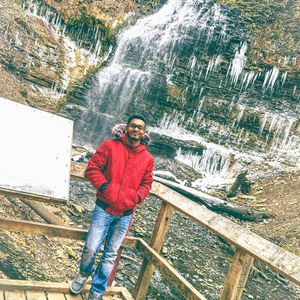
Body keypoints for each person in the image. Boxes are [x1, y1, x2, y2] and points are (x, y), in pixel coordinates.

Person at [70, 114, 154, 300]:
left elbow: (147, 183)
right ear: (126, 128)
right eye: (133, 126)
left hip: (125, 214)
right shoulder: (110, 146)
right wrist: (105, 187)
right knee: (91, 247)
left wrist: (137, 197)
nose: (136, 129)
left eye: (140, 127)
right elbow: (92, 168)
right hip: (103, 208)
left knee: (110, 255)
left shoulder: (147, 158)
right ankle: (83, 274)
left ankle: (97, 291)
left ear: (144, 132)